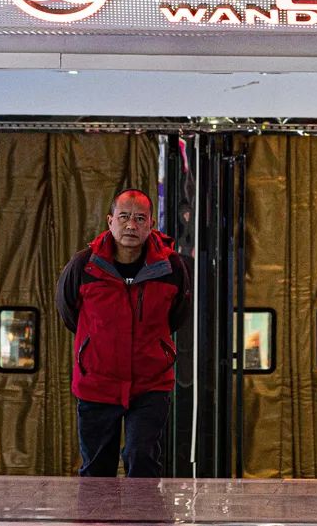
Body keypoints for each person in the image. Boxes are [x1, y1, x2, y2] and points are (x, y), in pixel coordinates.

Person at [55, 188, 191, 477]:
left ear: (151, 224)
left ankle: (144, 510)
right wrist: (93, 343)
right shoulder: (84, 265)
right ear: (110, 221)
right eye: (124, 217)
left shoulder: (170, 267)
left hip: (150, 383)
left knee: (142, 457)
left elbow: (177, 315)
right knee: (97, 468)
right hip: (97, 383)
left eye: (140, 218)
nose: (131, 225)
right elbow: (68, 312)